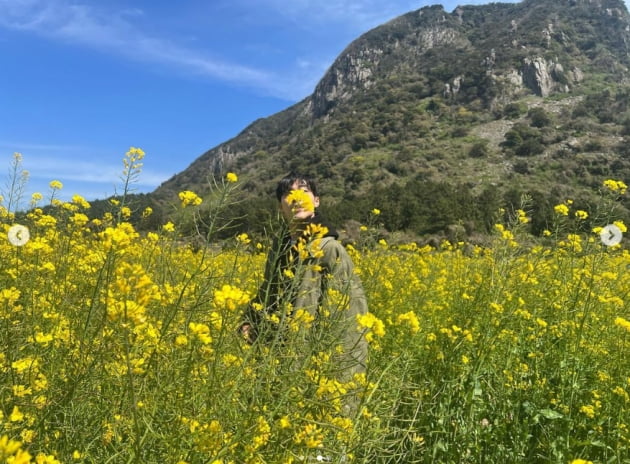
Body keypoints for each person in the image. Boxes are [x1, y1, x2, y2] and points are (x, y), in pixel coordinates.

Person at [239, 172, 369, 387]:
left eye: (304, 191)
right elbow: (269, 292)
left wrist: (338, 376)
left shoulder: (329, 249)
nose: (296, 198)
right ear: (280, 206)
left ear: (316, 201)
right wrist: (250, 321)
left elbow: (349, 317)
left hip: (311, 363)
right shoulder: (279, 248)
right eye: (288, 194)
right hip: (278, 360)